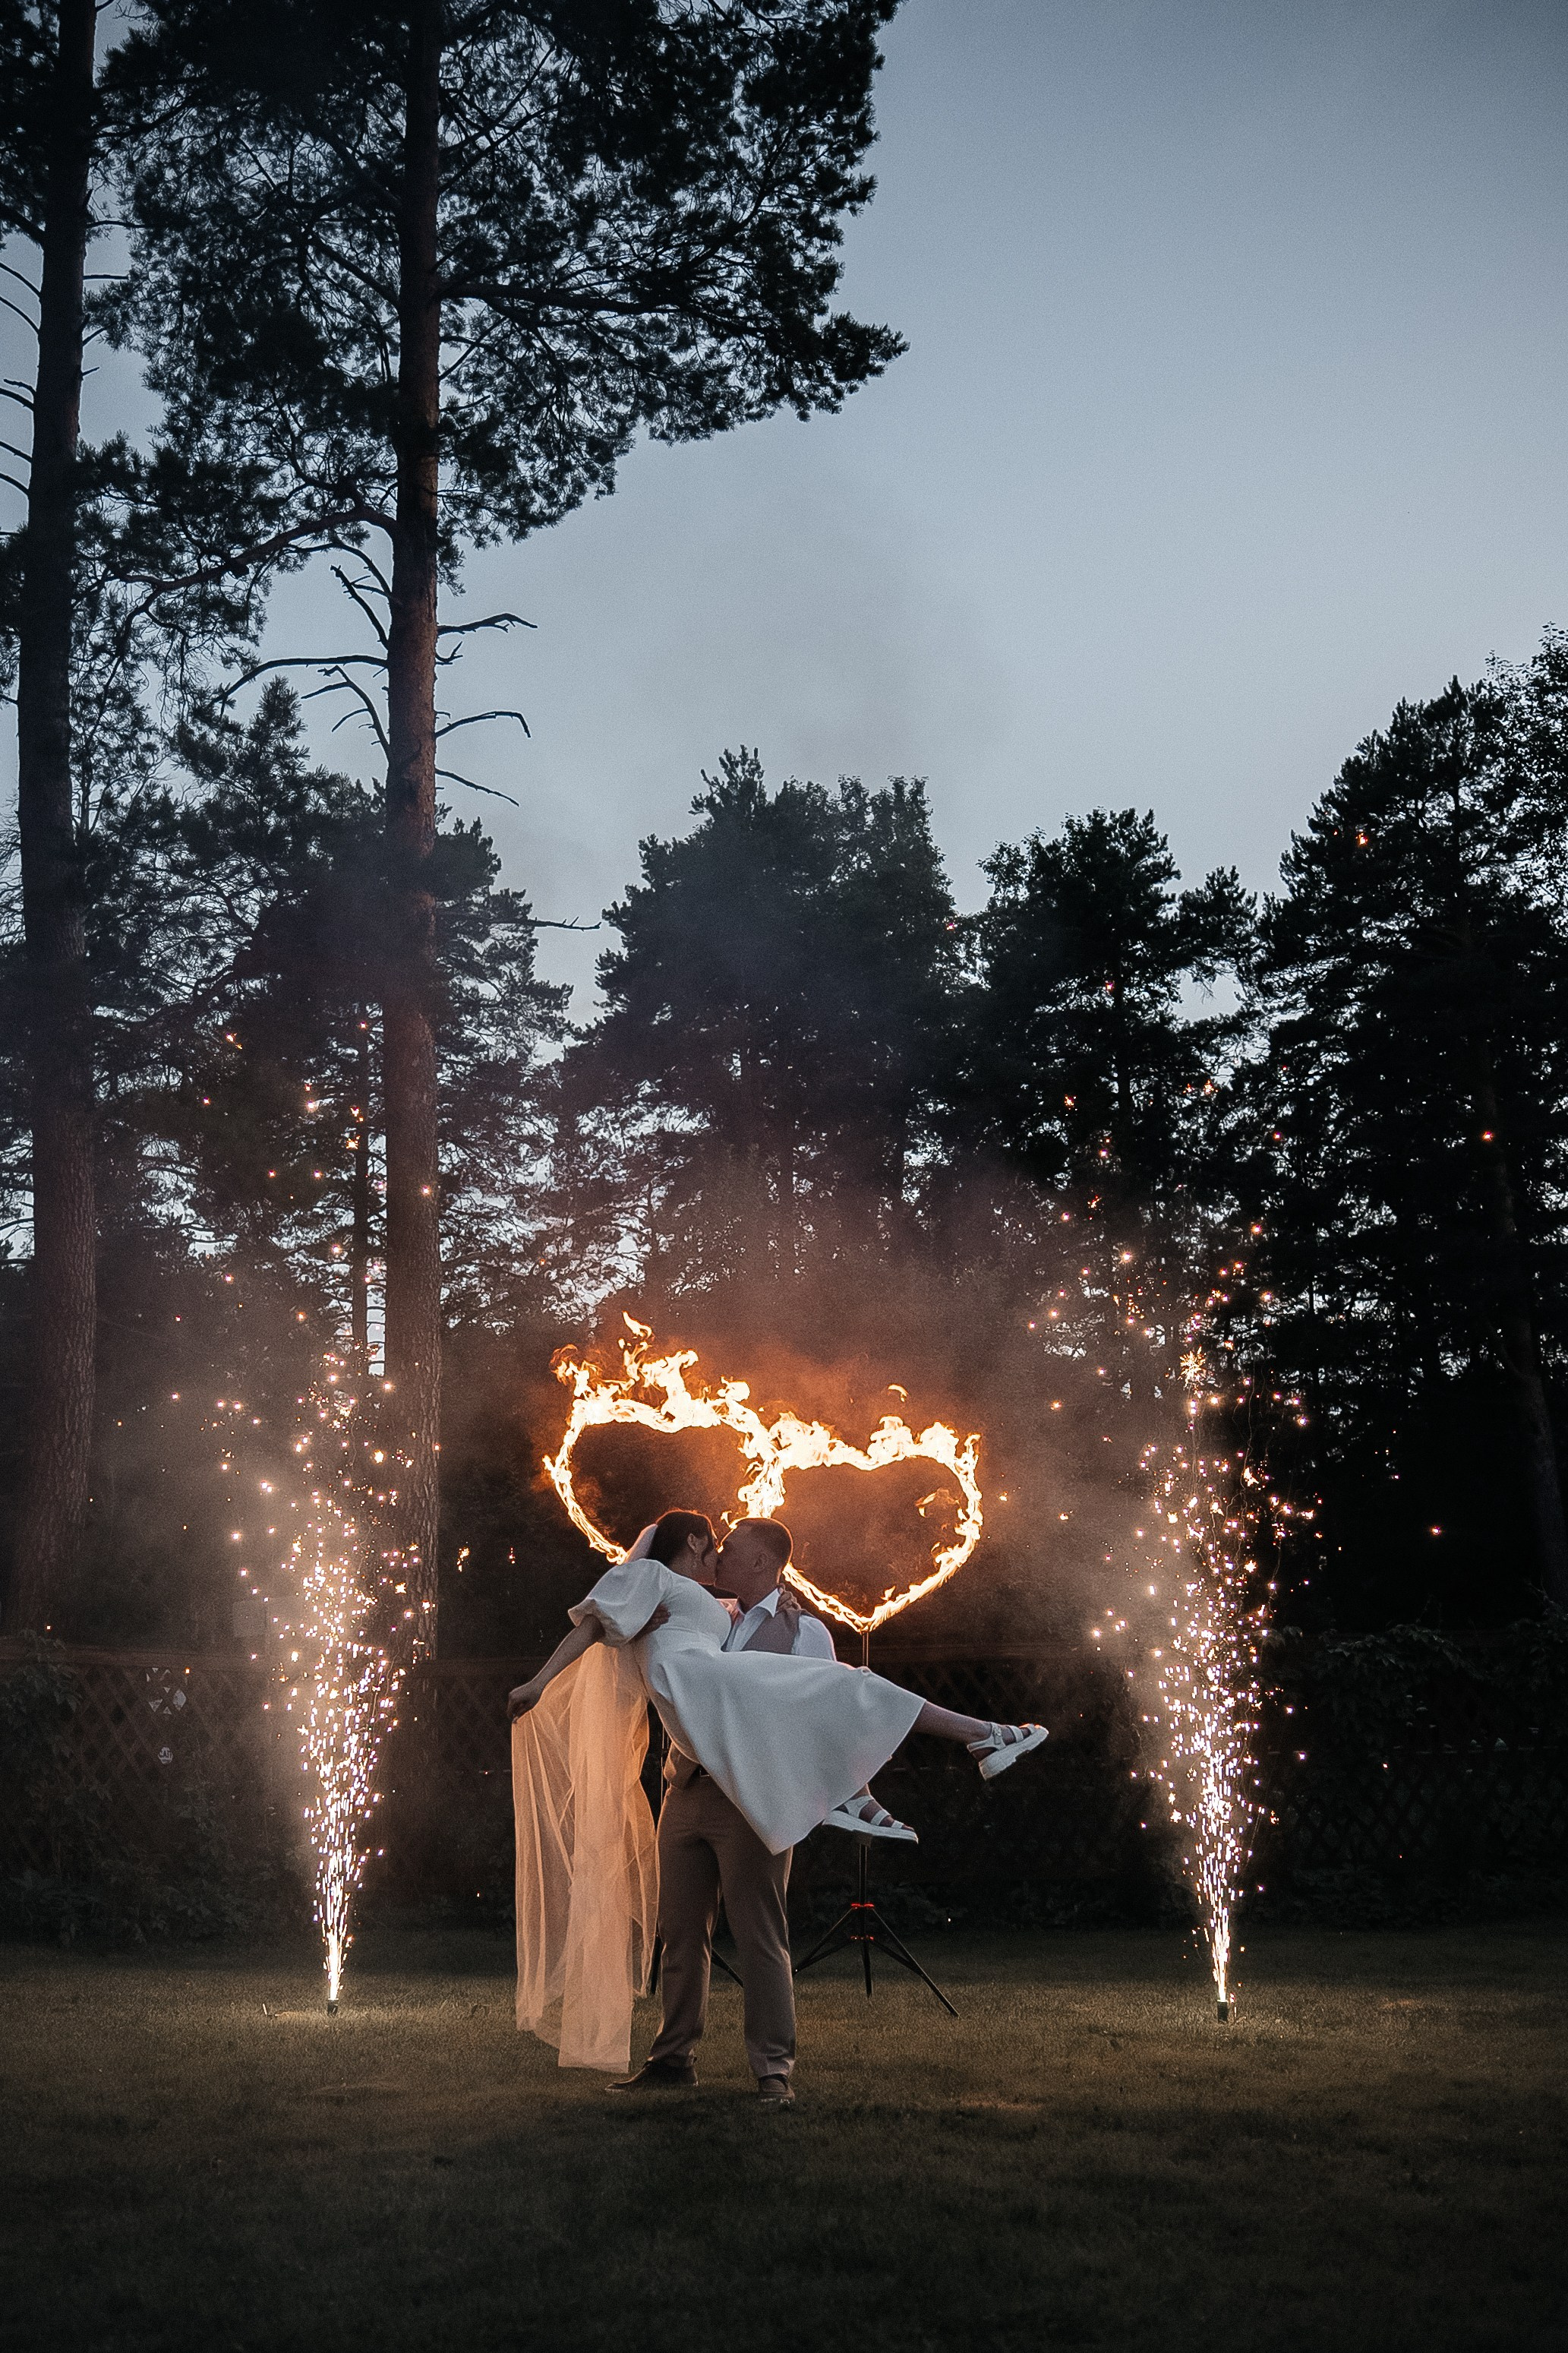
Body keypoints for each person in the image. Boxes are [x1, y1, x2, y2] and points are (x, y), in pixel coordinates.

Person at [508, 1508, 1048, 2085]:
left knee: (760, 1932)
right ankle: (671, 2060)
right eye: (713, 1547)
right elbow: (619, 1624)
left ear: (763, 1562)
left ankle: (772, 2070)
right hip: (686, 1791)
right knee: (681, 1935)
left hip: (752, 1797)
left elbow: (824, 1720)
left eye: (731, 1548)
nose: (718, 1556)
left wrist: (838, 1780)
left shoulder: (803, 1629)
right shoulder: (702, 1609)